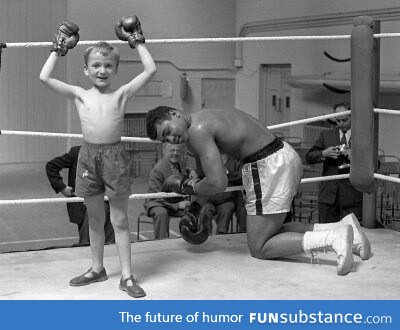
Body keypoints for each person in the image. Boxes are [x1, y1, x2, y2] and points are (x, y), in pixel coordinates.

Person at [146, 106, 371, 276]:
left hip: (267, 165)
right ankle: (345, 228)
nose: (170, 138)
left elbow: (217, 183)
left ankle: (334, 239)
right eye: (163, 139)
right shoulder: (204, 116)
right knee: (273, 230)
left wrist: (186, 185)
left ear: (175, 113)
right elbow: (210, 173)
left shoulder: (197, 131)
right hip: (281, 155)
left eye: (167, 130)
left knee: (260, 246)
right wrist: (196, 203)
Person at [39, 17, 156, 298]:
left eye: (107, 66)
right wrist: (58, 48)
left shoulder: (121, 95)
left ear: (115, 69)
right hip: (89, 158)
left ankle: (127, 276)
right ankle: (96, 268)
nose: (102, 70)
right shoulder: (79, 94)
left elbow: (151, 69)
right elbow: (44, 77)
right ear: (86, 69)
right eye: (96, 65)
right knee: (93, 219)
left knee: (120, 220)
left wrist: (137, 41)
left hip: (115, 157)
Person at [305, 102, 363, 223]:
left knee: (353, 235)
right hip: (328, 196)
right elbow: (309, 157)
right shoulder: (326, 135)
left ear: (353, 117)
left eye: (344, 120)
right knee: (326, 235)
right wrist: (323, 154)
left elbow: (375, 164)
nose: (341, 124)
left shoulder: (362, 136)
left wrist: (355, 158)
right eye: (338, 121)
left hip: (352, 197)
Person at [45, 145, 115, 246]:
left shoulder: (110, 153)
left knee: (111, 244)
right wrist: (62, 188)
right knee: (87, 244)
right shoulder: (77, 152)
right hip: (84, 206)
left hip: (107, 204)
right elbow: (51, 166)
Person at [143, 143, 192, 239]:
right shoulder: (158, 169)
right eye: (172, 150)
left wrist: (191, 171)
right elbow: (157, 196)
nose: (175, 153)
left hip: (174, 201)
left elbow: (185, 172)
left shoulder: (180, 164)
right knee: (161, 213)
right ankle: (162, 244)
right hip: (157, 202)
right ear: (165, 151)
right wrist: (177, 206)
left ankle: (191, 239)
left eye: (178, 150)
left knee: (193, 210)